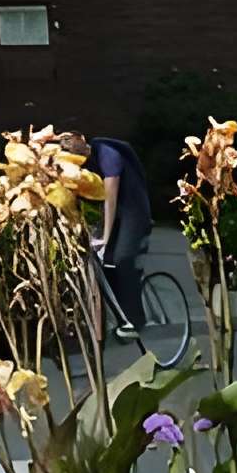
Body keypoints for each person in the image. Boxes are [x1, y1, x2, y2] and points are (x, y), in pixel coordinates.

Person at [86, 132, 152, 332]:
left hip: (133, 210)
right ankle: (116, 314)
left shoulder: (108, 154)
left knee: (122, 259)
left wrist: (105, 238)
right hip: (112, 212)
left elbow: (110, 199)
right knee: (101, 265)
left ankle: (135, 319)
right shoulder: (74, 161)